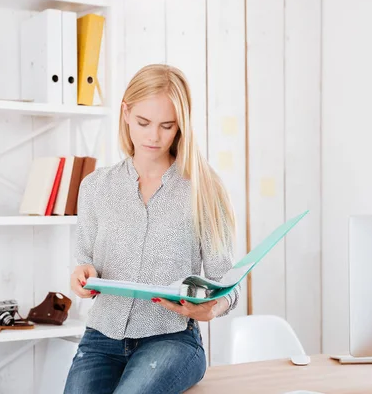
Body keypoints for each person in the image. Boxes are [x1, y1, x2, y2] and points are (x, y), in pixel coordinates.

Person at [64, 64, 240, 394]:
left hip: (171, 340)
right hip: (102, 337)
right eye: (144, 123)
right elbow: (84, 263)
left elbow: (227, 283)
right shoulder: (96, 187)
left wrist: (213, 306)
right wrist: (82, 277)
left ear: (180, 127)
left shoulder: (203, 189)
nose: (154, 136)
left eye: (167, 126)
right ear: (126, 114)